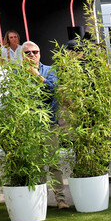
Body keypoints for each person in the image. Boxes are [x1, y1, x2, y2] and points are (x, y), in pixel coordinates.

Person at [21, 42, 67, 208]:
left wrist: (36, 75)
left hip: (49, 124)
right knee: (36, 165)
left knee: (54, 163)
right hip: (30, 127)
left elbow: (51, 91)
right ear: (22, 56)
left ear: (40, 54)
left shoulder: (50, 70)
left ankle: (60, 199)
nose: (32, 55)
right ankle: (40, 202)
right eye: (28, 53)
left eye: (35, 52)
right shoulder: (17, 74)